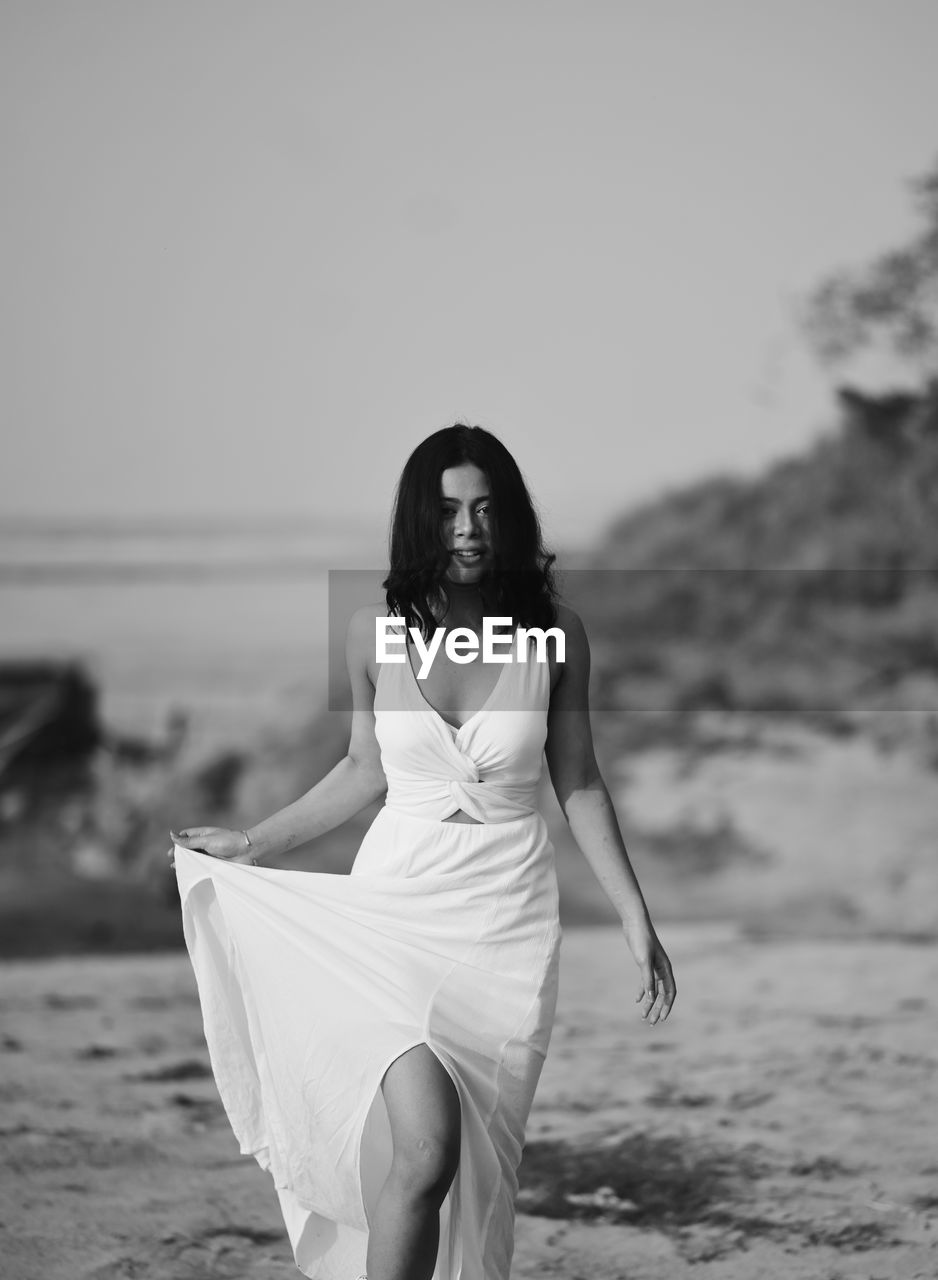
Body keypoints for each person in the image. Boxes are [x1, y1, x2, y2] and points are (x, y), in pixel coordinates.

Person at [167, 424, 676, 1280]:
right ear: (419, 523)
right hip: (392, 912)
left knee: (477, 1166)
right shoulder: (372, 635)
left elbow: (579, 779)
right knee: (427, 1148)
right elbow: (363, 770)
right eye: (446, 512)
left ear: (508, 518)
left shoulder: (556, 636)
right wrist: (251, 843)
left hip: (503, 928)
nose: (467, 528)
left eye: (483, 509)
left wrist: (635, 916)